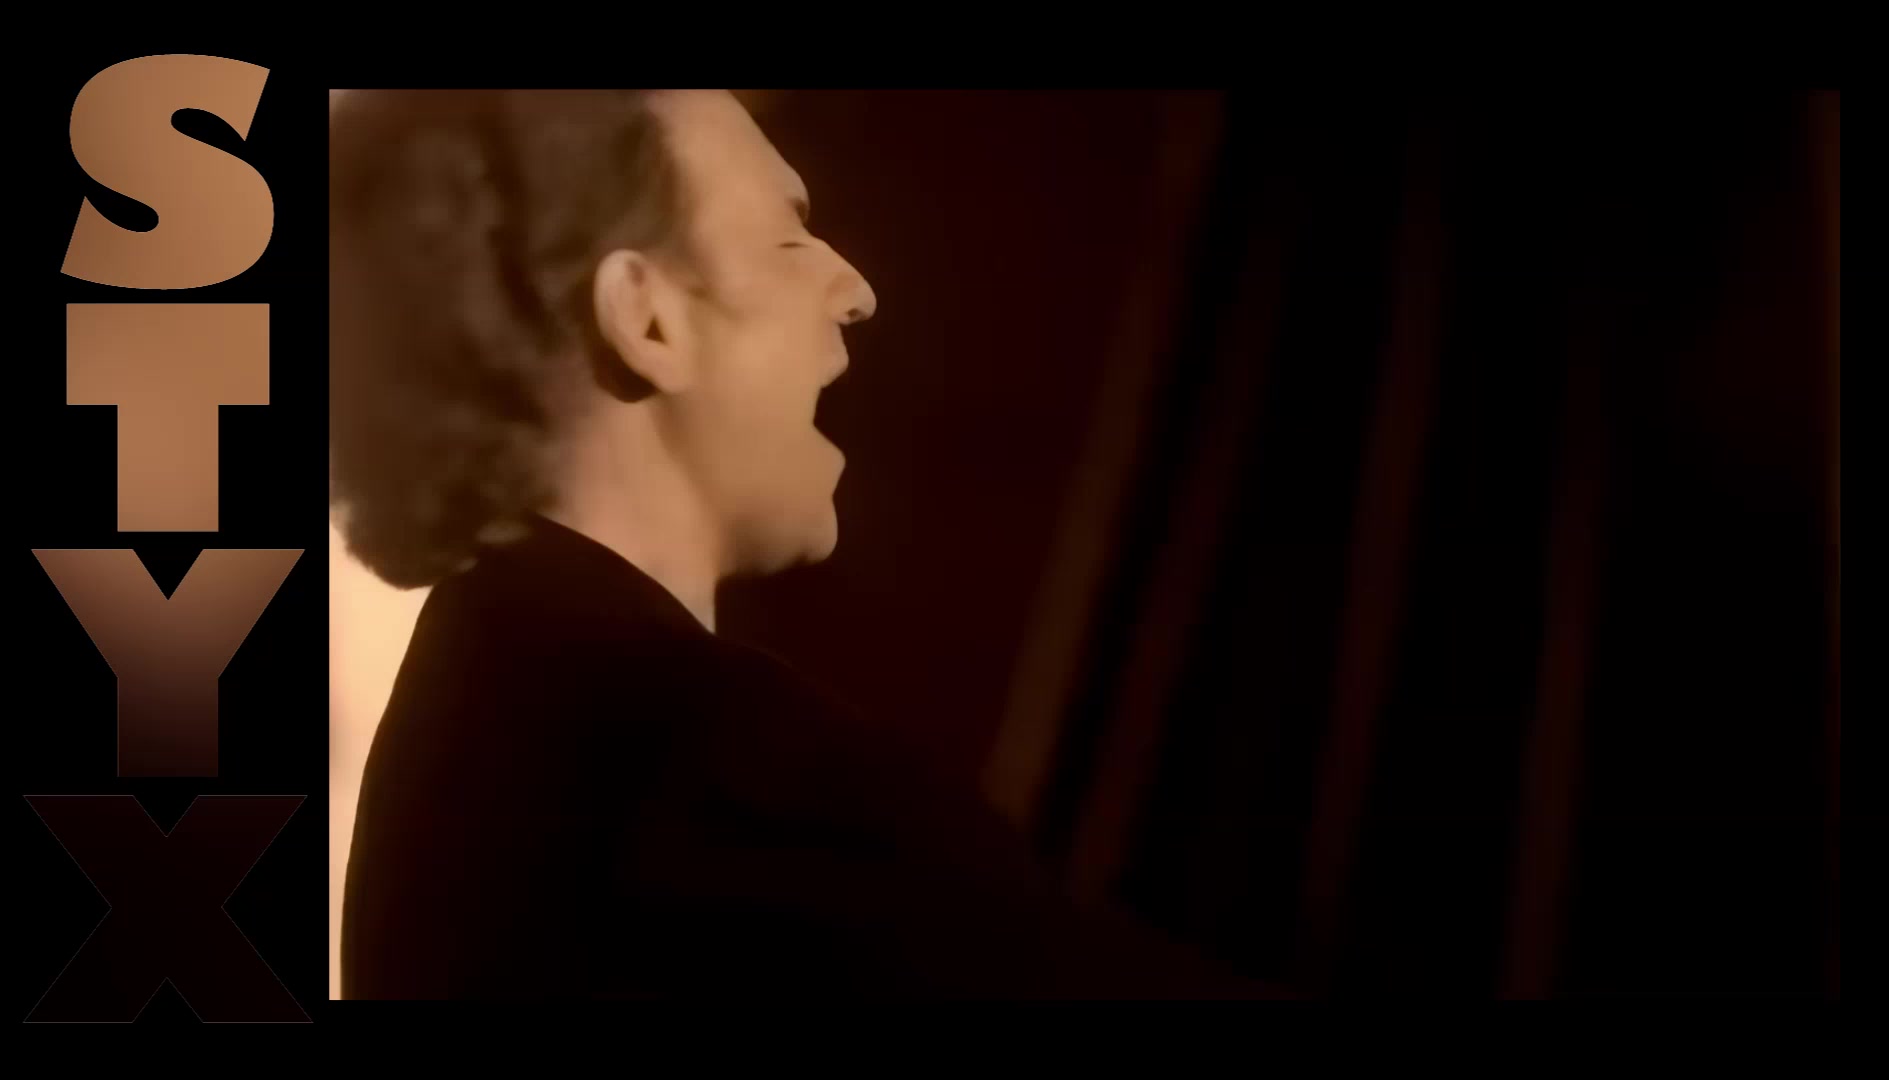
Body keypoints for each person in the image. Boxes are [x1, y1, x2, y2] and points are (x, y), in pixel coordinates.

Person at [332, 89, 1284, 1000]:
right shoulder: (701, 767)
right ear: (647, 318)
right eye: (790, 239)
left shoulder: (480, 733)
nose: (855, 291)